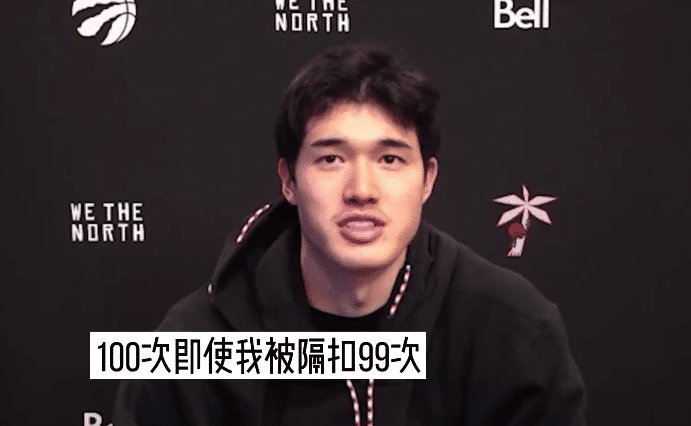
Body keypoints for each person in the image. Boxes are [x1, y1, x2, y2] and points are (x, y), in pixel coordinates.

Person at [113, 42, 587, 426]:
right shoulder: (195, 342)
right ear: (288, 181)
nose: (362, 190)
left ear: (427, 180)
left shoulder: (512, 329)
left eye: (390, 159)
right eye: (331, 159)